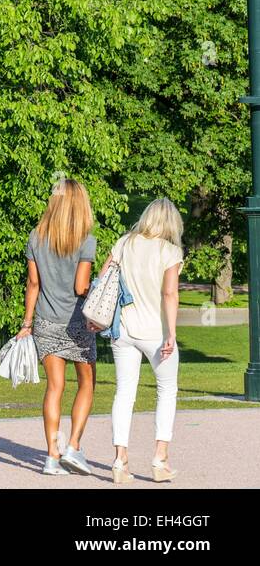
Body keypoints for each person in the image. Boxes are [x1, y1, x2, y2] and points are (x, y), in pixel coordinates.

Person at [16, 178, 98, 475]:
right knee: (86, 383)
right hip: (77, 323)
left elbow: (33, 284)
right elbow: (81, 286)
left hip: (45, 321)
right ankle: (73, 446)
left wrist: (27, 323)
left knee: (55, 387)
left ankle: (52, 456)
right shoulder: (86, 239)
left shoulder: (36, 237)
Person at [107, 198, 183, 485]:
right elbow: (169, 295)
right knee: (166, 390)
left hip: (123, 329)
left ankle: (119, 460)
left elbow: (105, 278)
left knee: (124, 393)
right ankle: (160, 459)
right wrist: (172, 333)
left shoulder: (125, 242)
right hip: (156, 332)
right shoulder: (170, 251)